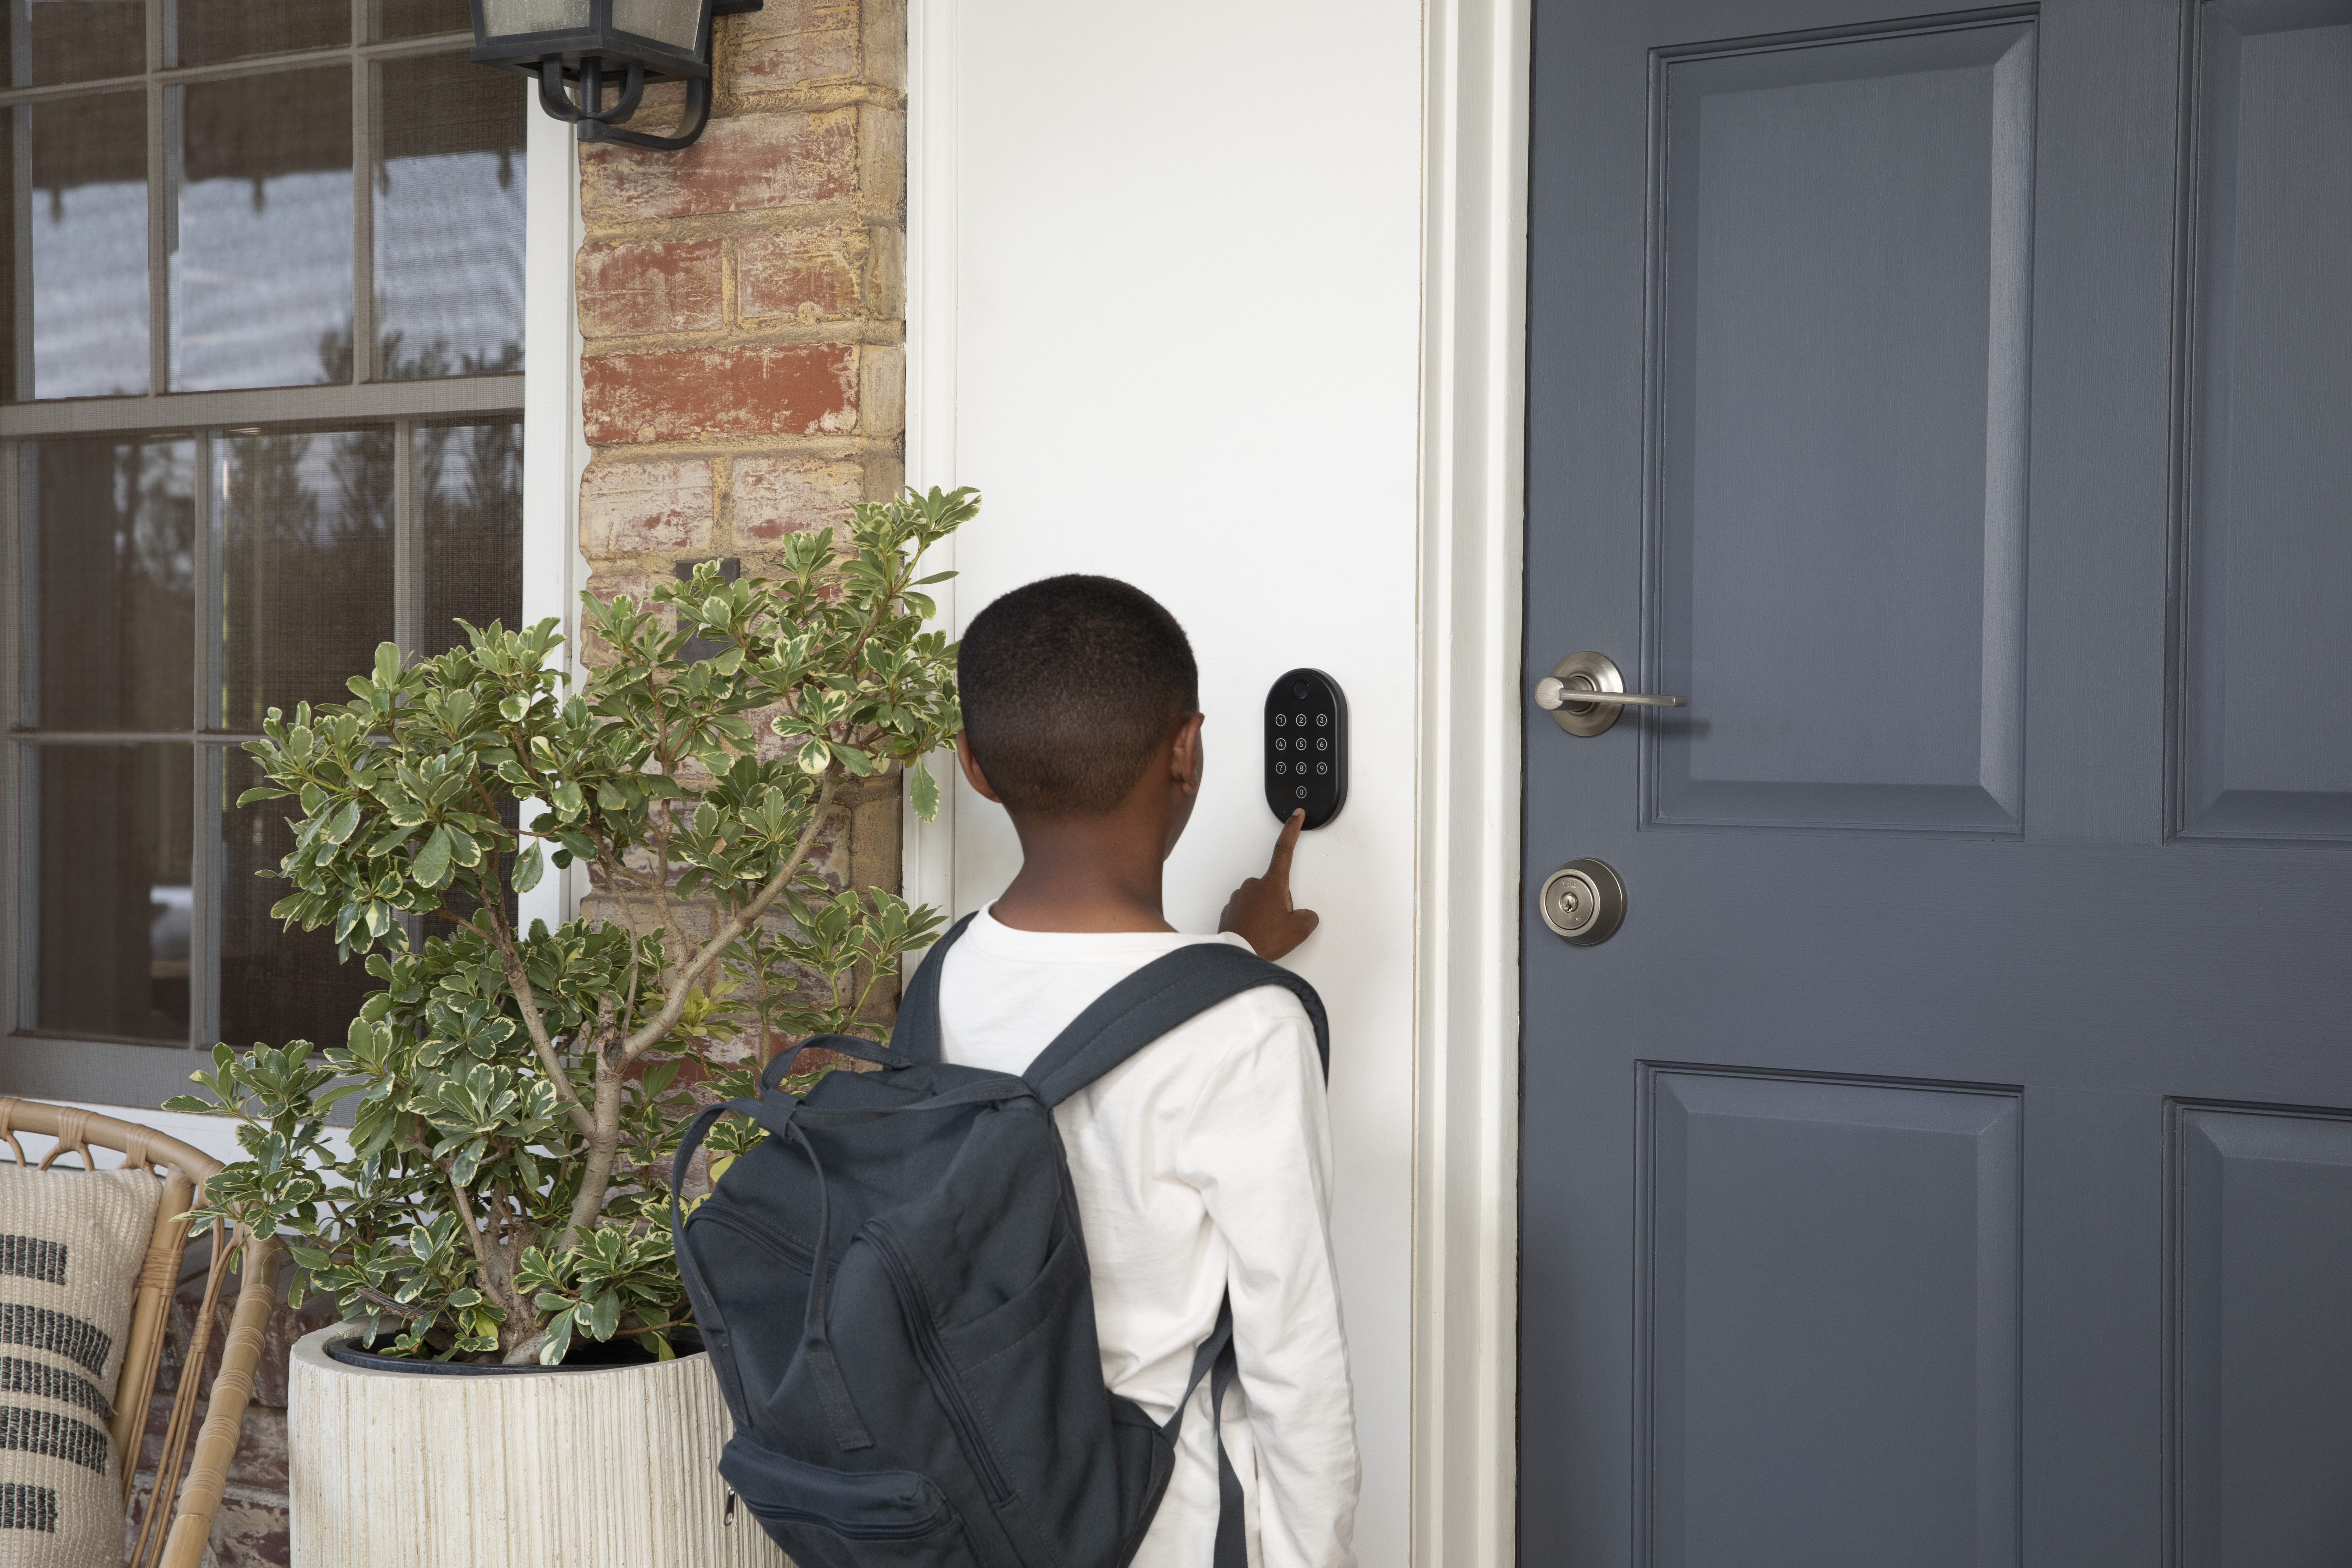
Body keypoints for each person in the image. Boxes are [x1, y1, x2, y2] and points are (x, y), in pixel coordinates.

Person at [931, 573, 1360, 1568]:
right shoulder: (1245, 1029)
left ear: (973, 767)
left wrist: (1229, 955)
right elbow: (1295, 1358)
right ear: (1187, 748)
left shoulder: (943, 975)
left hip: (970, 1512)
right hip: (1153, 1525)